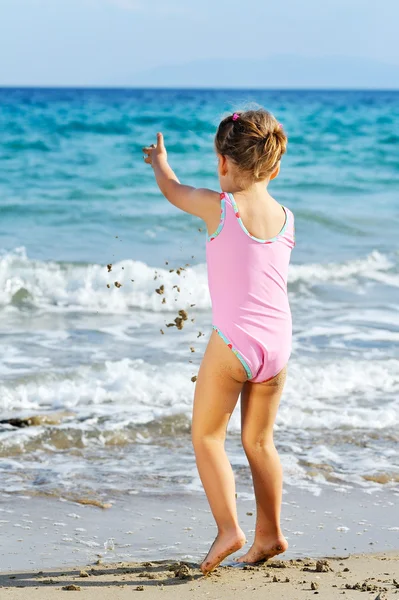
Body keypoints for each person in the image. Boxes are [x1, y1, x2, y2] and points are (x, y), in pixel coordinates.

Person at [143, 108, 295, 575]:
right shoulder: (287, 217)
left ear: (223, 163)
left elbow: (173, 191)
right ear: (273, 166)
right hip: (277, 344)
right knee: (260, 442)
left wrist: (159, 163)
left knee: (207, 435)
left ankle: (230, 528)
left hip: (234, 341)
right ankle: (270, 534)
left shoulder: (221, 206)